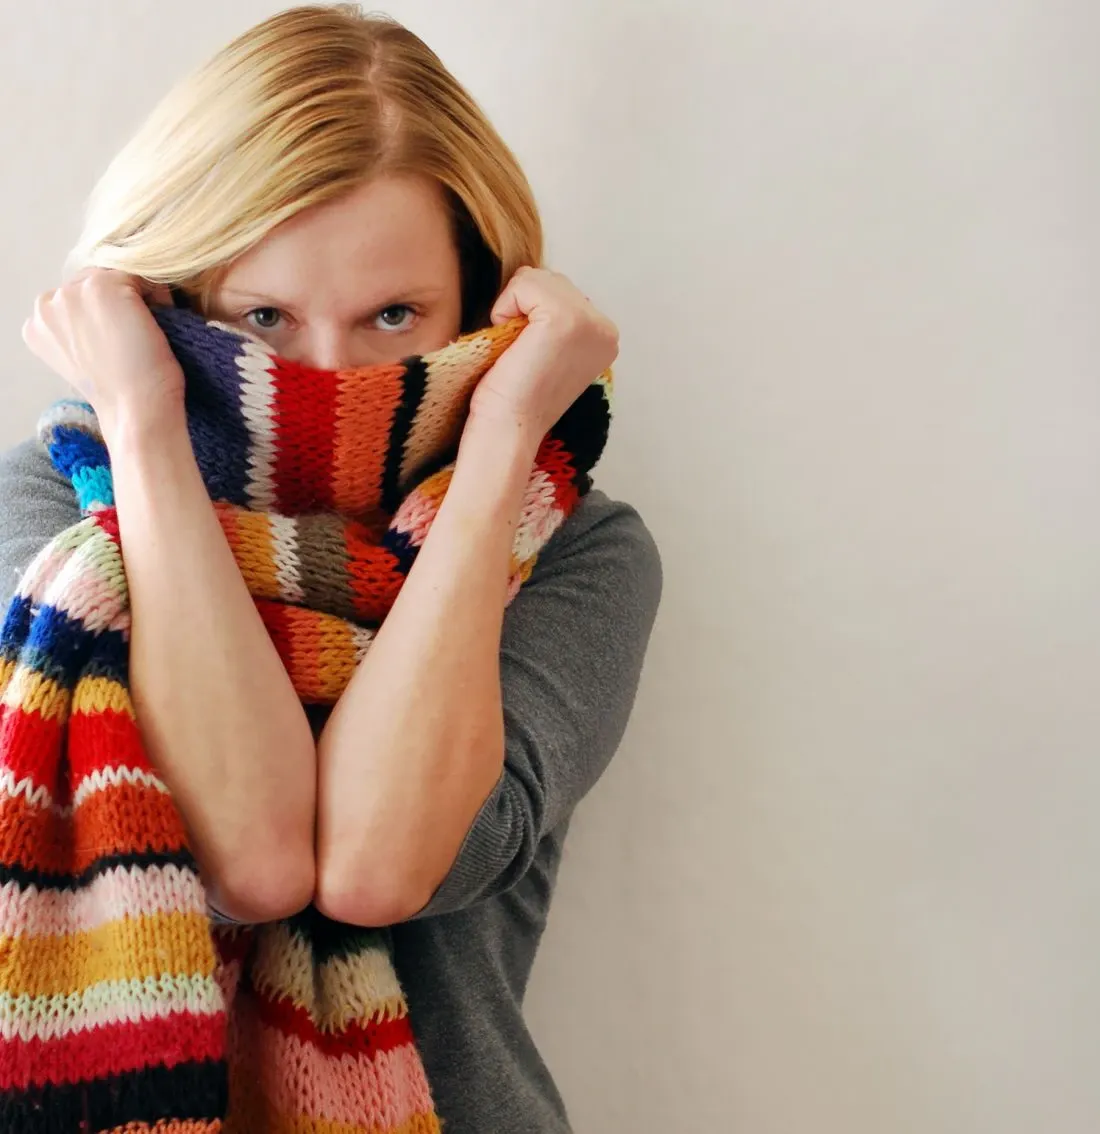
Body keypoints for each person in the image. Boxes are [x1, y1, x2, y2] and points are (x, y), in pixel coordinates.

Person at [0, 5, 661, 1132]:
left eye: (392, 315)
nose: (319, 376)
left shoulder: (573, 549)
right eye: (259, 317)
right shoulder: (56, 505)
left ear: (482, 303)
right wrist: (148, 431)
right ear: (168, 303)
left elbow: (371, 865)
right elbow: (246, 857)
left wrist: (500, 443)